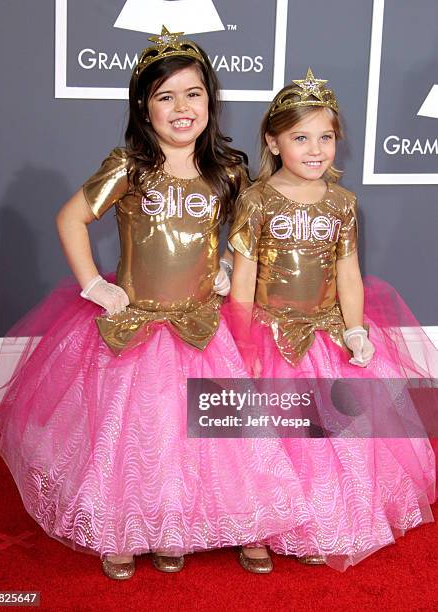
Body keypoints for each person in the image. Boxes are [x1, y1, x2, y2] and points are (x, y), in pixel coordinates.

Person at [0, 27, 255, 580]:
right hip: (135, 324)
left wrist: (228, 267)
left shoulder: (227, 171)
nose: (181, 108)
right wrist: (94, 284)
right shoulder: (129, 167)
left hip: (200, 325)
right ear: (143, 106)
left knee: (188, 432)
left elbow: (242, 235)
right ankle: (122, 525)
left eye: (193, 93)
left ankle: (171, 524)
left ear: (211, 99)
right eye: (165, 96)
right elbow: (71, 218)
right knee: (134, 432)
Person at [228, 68, 437, 570]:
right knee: (263, 434)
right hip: (269, 331)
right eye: (301, 137)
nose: (316, 149)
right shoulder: (255, 201)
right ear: (274, 142)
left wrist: (356, 329)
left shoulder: (342, 202)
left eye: (326, 137)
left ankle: (317, 518)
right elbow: (242, 280)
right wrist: (246, 345)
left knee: (325, 434)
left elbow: (348, 272)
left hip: (324, 332)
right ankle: (255, 525)